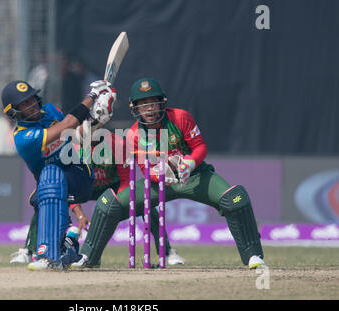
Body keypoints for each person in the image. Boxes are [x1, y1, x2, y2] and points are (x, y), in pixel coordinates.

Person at [74, 78, 266, 269]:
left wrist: (189, 164)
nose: (149, 109)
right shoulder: (133, 135)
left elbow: (199, 147)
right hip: (159, 183)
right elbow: (146, 171)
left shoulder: (180, 117)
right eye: (143, 105)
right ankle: (88, 257)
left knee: (235, 199)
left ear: (162, 104)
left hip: (195, 177)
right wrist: (162, 173)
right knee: (107, 206)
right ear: (136, 109)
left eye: (153, 104)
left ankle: (253, 256)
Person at [10, 131, 185, 266]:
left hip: (112, 188)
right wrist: (79, 214)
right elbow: (68, 184)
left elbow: (126, 181)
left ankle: (168, 252)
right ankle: (28, 250)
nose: (93, 130)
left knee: (147, 205)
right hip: (84, 187)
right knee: (47, 200)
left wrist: (116, 206)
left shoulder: (117, 143)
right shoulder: (74, 148)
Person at [1, 79, 115, 270]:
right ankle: (66, 246)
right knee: (40, 198)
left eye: (32, 100)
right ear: (13, 112)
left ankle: (47, 256)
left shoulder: (50, 111)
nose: (32, 105)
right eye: (25, 104)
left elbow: (73, 132)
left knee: (51, 175)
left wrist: (94, 122)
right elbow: (67, 124)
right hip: (51, 184)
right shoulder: (23, 137)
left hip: (77, 173)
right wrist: (92, 96)